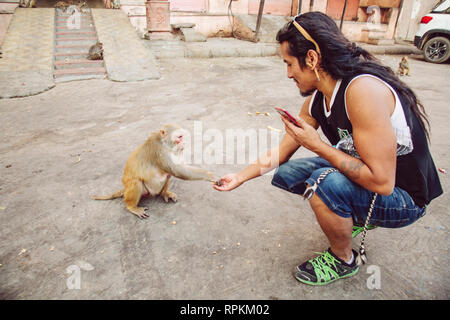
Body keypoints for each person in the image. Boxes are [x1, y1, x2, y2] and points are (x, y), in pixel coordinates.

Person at [213, 12, 443, 286]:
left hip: (404, 198)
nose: (287, 74)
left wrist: (319, 147)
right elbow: (282, 152)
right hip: (376, 182)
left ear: (311, 59)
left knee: (322, 183)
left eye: (289, 64)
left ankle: (343, 259)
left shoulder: (362, 91)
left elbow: (382, 183)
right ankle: (352, 212)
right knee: (290, 171)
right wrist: (240, 177)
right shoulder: (317, 101)